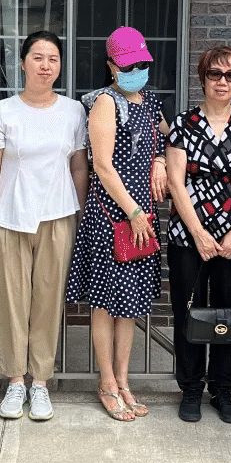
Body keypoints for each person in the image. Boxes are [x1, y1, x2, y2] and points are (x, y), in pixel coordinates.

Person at [0, 31, 89, 421]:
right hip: (10, 218)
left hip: (58, 216)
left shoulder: (73, 111)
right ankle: (14, 381)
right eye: (38, 57)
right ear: (23, 62)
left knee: (47, 302)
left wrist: (79, 214)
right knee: (11, 302)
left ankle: (40, 382)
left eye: (53, 59)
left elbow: (78, 166)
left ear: (60, 66)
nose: (46, 65)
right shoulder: (3, 112)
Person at [66, 26, 168, 421]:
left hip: (140, 214)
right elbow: (103, 167)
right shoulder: (105, 103)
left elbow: (168, 138)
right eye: (127, 65)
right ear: (111, 65)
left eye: (141, 63)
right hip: (114, 215)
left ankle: (124, 380)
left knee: (130, 306)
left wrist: (159, 161)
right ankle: (107, 381)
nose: (136, 70)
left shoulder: (150, 100)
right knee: (106, 305)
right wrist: (134, 211)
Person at [166, 47, 231, 424]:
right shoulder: (183, 123)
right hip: (189, 236)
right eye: (215, 74)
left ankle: (224, 390)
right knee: (187, 310)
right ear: (203, 77)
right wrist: (199, 233)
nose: (222, 81)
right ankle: (190, 389)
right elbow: (175, 180)